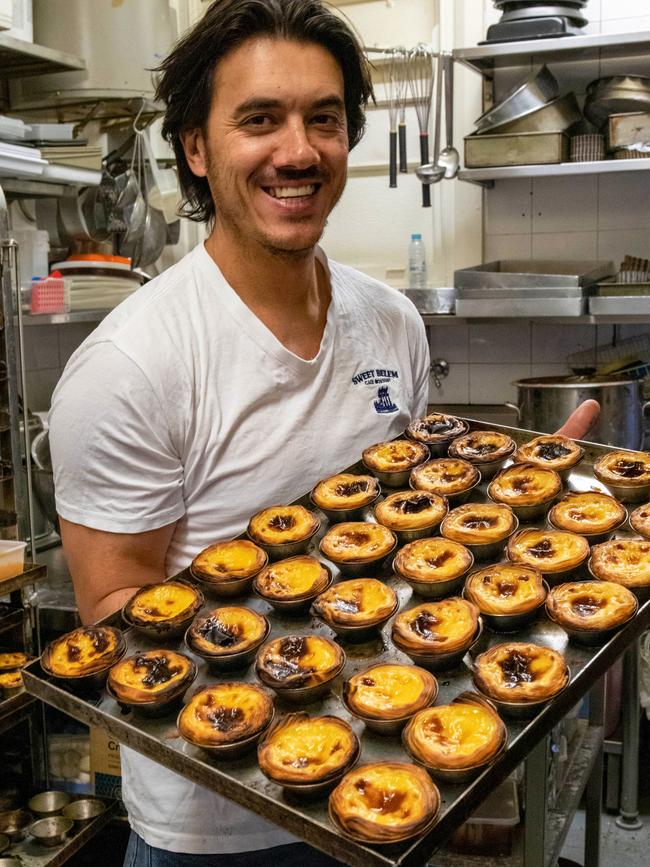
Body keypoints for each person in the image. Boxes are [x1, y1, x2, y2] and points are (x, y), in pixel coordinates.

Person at [48, 1, 599, 864]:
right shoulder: (132, 363)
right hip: (221, 827)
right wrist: (279, 669)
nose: (298, 151)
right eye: (259, 119)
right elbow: (120, 619)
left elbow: (409, 516)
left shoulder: (390, 322)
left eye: (325, 119)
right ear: (196, 147)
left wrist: (528, 513)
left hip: (392, 783)